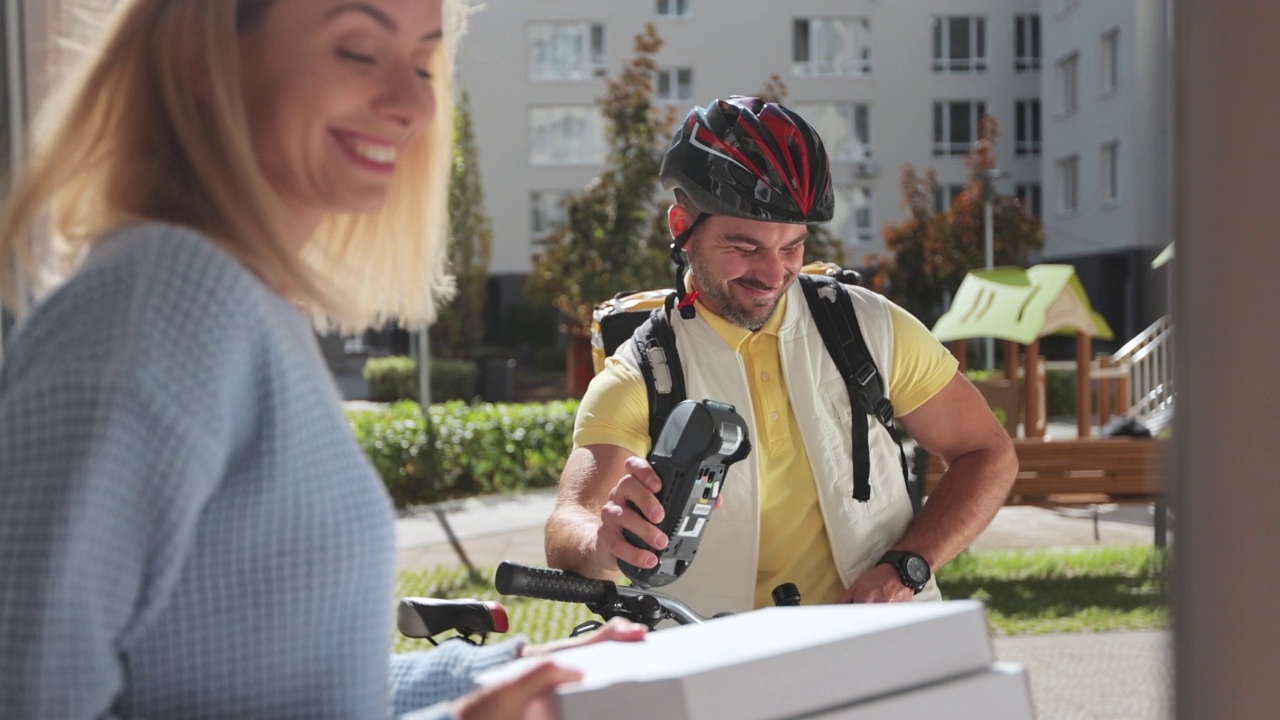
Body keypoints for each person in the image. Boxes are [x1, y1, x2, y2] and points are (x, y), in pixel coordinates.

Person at [0, 1, 644, 718]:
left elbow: (289, 694)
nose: (413, 103)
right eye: (359, 51)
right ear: (200, 57)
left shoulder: (242, 304)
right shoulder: (159, 302)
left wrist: (491, 678)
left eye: (423, 61)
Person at [544, 96, 1018, 616]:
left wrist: (910, 565)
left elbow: (988, 454)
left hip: (876, 642)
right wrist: (603, 543)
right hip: (719, 664)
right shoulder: (644, 370)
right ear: (681, 224)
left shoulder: (869, 327)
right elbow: (571, 521)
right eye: (745, 248)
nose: (773, 275)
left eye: (792, 247)